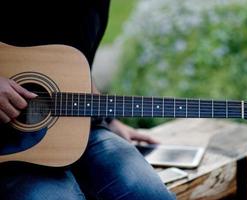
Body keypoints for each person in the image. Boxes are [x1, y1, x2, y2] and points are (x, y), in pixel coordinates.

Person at [0, 1, 176, 200]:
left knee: (148, 192)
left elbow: (70, 60)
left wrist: (109, 119)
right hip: (12, 147)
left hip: (80, 126)